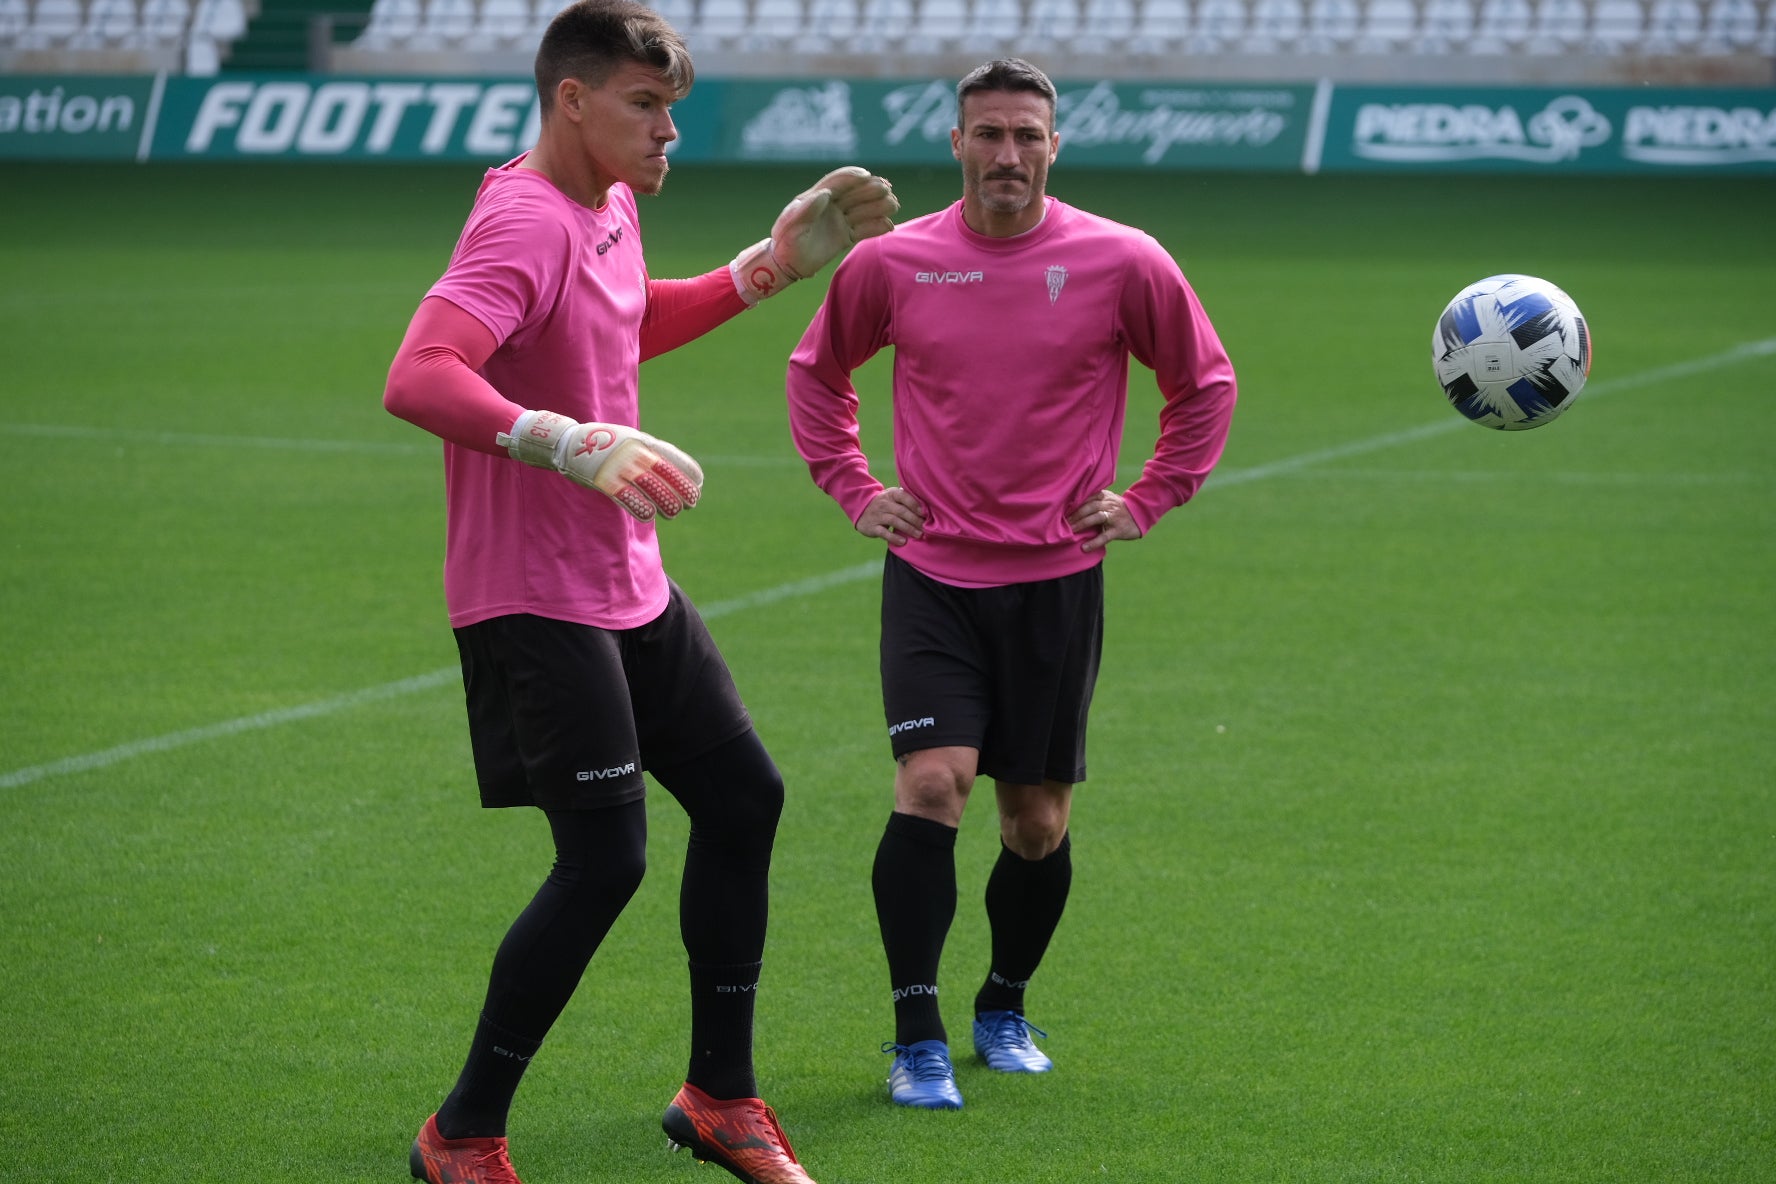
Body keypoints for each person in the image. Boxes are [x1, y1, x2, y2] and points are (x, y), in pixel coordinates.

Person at [382, 2, 897, 1181]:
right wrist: (561, 439)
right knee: (605, 859)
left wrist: (764, 270)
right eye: (646, 107)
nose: (669, 134)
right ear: (573, 99)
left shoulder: (605, 201)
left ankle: (720, 1093)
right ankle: (460, 1133)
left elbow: (619, 319)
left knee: (743, 799)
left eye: (673, 110)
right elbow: (419, 375)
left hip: (624, 578)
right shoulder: (521, 220)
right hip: (532, 591)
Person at [783, 57, 1237, 1111]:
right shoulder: (893, 263)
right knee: (932, 783)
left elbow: (1203, 384)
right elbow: (818, 373)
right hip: (934, 573)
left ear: (1054, 146)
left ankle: (1003, 999)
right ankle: (917, 1034)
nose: (1007, 154)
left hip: (1058, 582)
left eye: (1027, 135)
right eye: (988, 133)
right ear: (956, 144)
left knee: (1034, 821)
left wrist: (1149, 496)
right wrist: (854, 487)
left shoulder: (1123, 260)